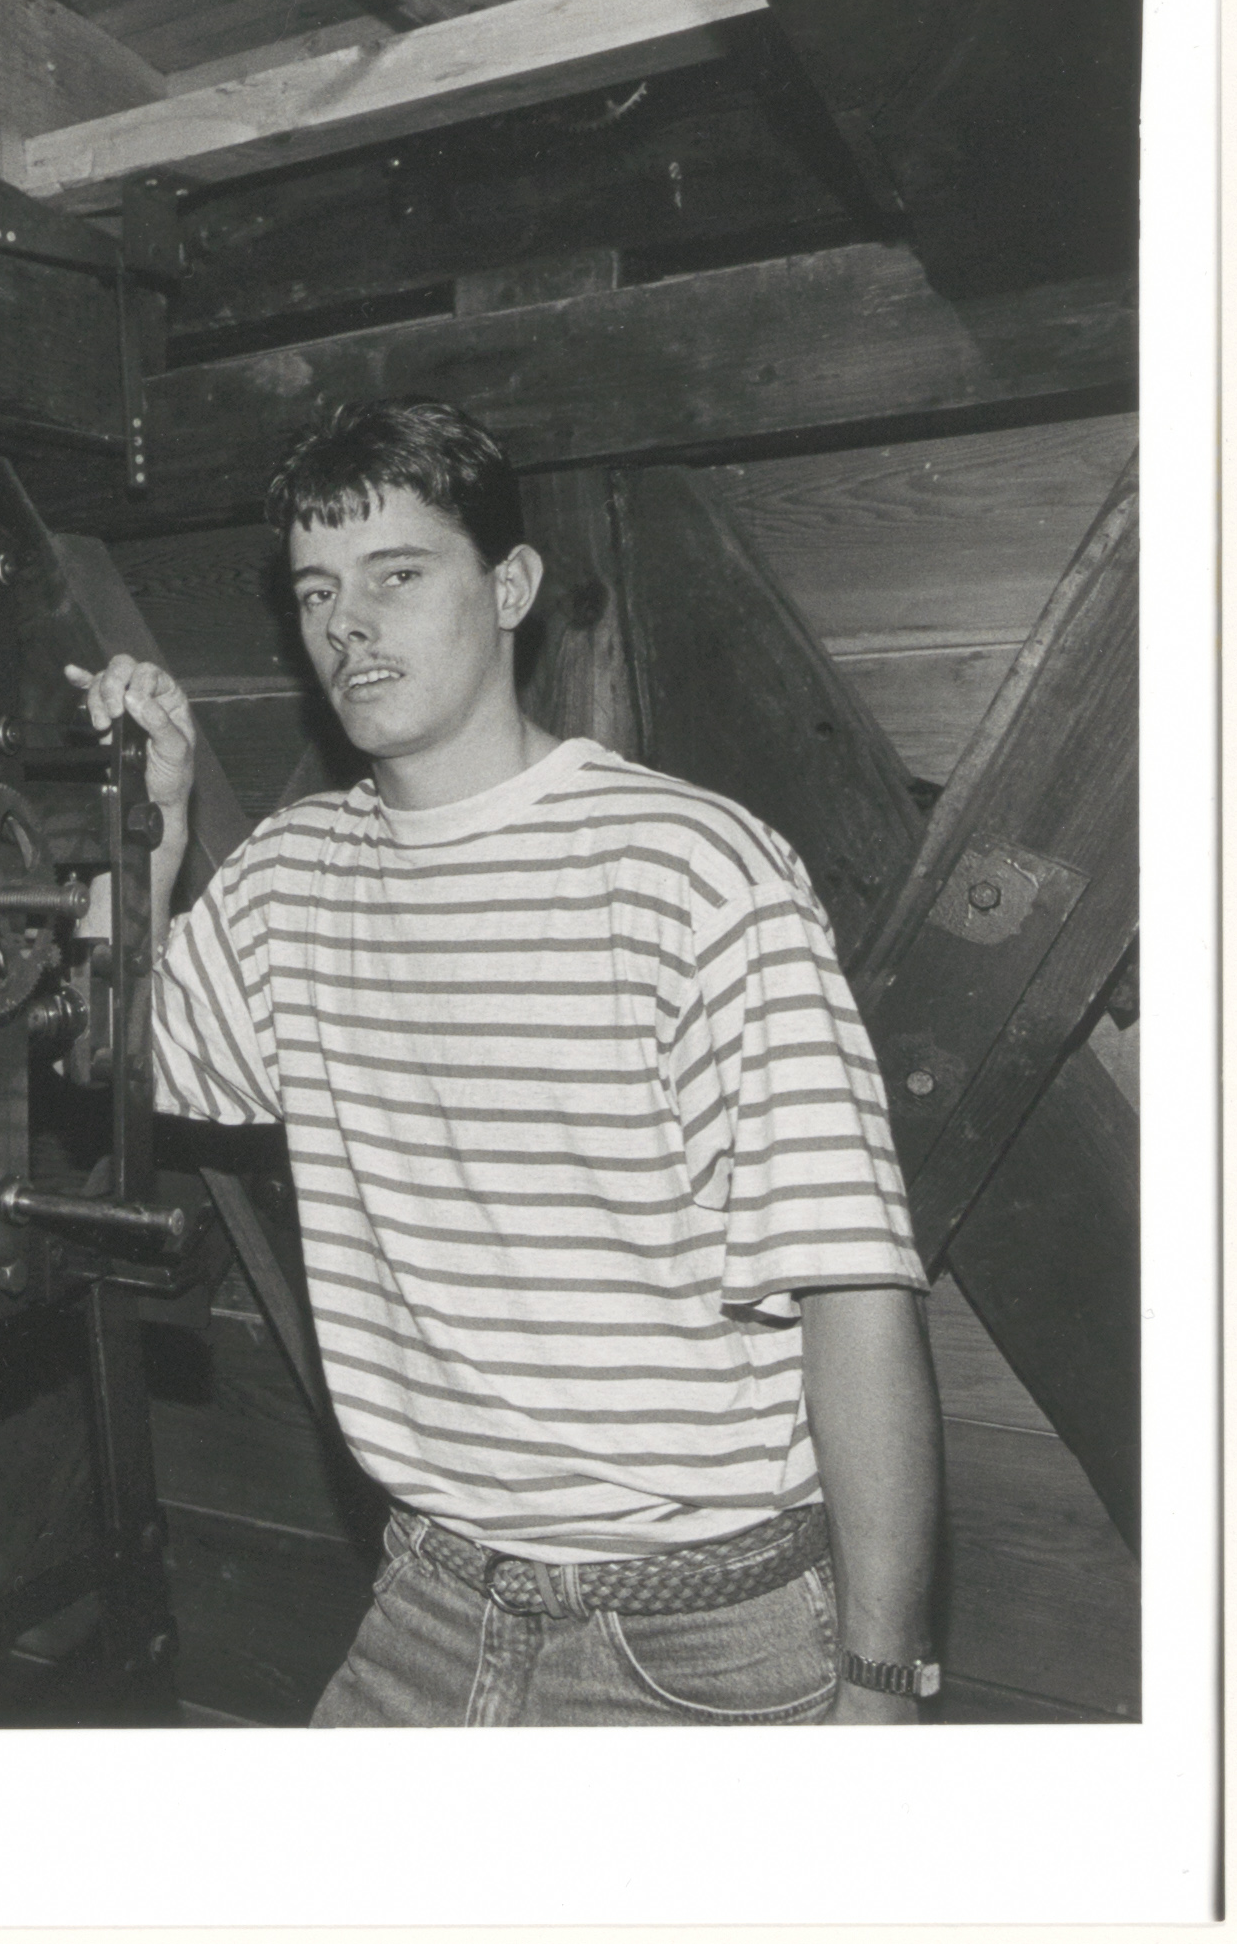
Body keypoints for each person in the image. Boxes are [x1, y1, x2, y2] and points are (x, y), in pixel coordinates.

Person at [66, 398, 940, 1727]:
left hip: (702, 1632)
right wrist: (150, 831)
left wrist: (882, 1684)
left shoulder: (692, 870)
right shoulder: (293, 876)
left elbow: (853, 1289)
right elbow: (112, 1056)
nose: (348, 627)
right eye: (316, 593)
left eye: (397, 577)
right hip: (432, 1596)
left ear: (512, 586)